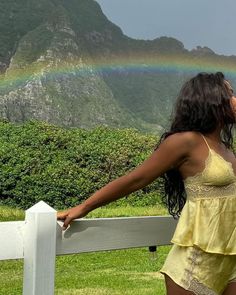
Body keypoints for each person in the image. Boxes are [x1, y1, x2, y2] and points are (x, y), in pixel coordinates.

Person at [57, 72, 236, 295]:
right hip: (195, 264)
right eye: (229, 94)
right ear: (212, 100)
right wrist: (83, 207)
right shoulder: (186, 141)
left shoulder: (226, 148)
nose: (234, 100)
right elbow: (135, 179)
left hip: (230, 262)